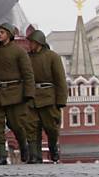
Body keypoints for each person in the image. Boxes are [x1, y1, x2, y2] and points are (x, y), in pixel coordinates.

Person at [0, 22, 35, 165]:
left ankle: (23, 144)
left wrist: (28, 94)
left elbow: (28, 74)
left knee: (16, 124)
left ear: (9, 35)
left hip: (15, 93)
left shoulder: (19, 52)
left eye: (2, 32)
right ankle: (1, 155)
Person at [25, 29, 68, 163]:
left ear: (39, 43)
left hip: (49, 98)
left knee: (51, 127)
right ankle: (34, 155)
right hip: (31, 97)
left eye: (32, 42)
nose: (30, 45)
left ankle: (53, 147)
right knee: (31, 127)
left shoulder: (52, 57)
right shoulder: (26, 58)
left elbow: (60, 80)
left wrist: (61, 100)